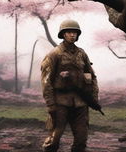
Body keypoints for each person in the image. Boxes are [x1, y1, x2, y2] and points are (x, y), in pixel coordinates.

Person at [41, 19, 99, 152]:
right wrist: (50, 104)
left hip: (80, 102)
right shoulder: (54, 54)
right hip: (61, 101)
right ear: (63, 34)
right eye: (69, 32)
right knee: (54, 138)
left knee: (81, 139)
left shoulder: (82, 54)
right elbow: (46, 81)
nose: (72, 35)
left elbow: (92, 76)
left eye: (75, 32)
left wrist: (93, 98)